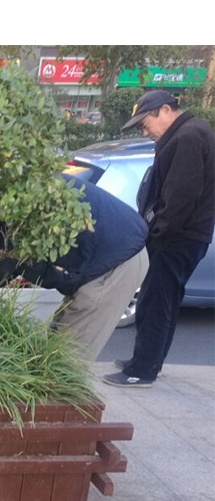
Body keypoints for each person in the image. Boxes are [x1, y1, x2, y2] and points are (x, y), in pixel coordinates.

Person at [0, 175, 149, 362]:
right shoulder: (15, 182)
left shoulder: (13, 204)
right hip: (109, 250)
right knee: (52, 351)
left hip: (115, 263)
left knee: (64, 363)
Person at [103, 90, 215, 388]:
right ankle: (148, 361)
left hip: (176, 238)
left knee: (155, 301)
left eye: (145, 124)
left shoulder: (188, 137)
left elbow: (179, 199)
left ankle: (142, 370)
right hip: (185, 236)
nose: (145, 131)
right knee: (164, 300)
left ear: (165, 110)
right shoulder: (189, 133)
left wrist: (156, 237)